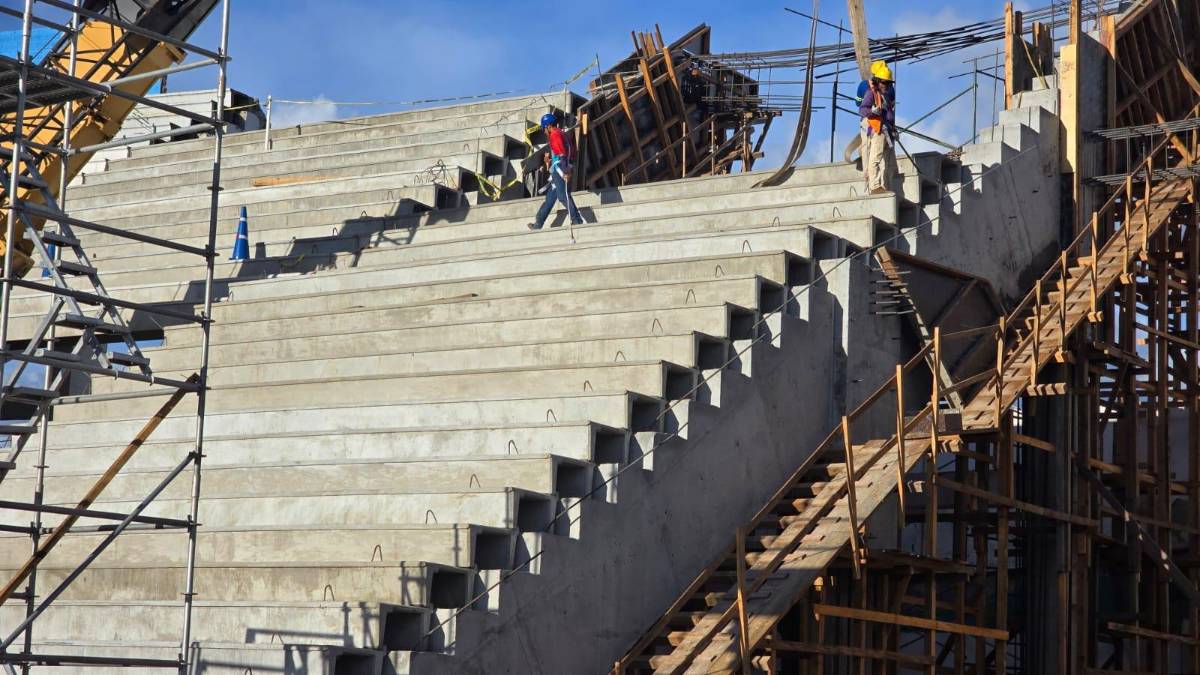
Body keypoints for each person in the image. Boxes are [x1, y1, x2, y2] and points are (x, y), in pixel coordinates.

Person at [529, 112, 584, 230]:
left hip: (560, 170)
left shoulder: (554, 135)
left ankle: (577, 220)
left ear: (548, 126)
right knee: (550, 198)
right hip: (560, 168)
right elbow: (570, 152)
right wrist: (550, 162)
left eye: (544, 128)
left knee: (563, 196)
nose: (544, 131)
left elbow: (561, 154)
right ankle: (538, 224)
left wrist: (565, 171)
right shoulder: (562, 133)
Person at [858, 60, 897, 195]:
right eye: (884, 82)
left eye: (889, 83)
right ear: (877, 81)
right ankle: (875, 186)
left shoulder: (885, 95)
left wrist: (893, 128)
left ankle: (884, 186)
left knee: (887, 162)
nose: (887, 85)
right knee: (875, 157)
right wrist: (872, 112)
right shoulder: (871, 93)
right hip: (878, 130)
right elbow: (862, 110)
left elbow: (890, 114)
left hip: (887, 131)